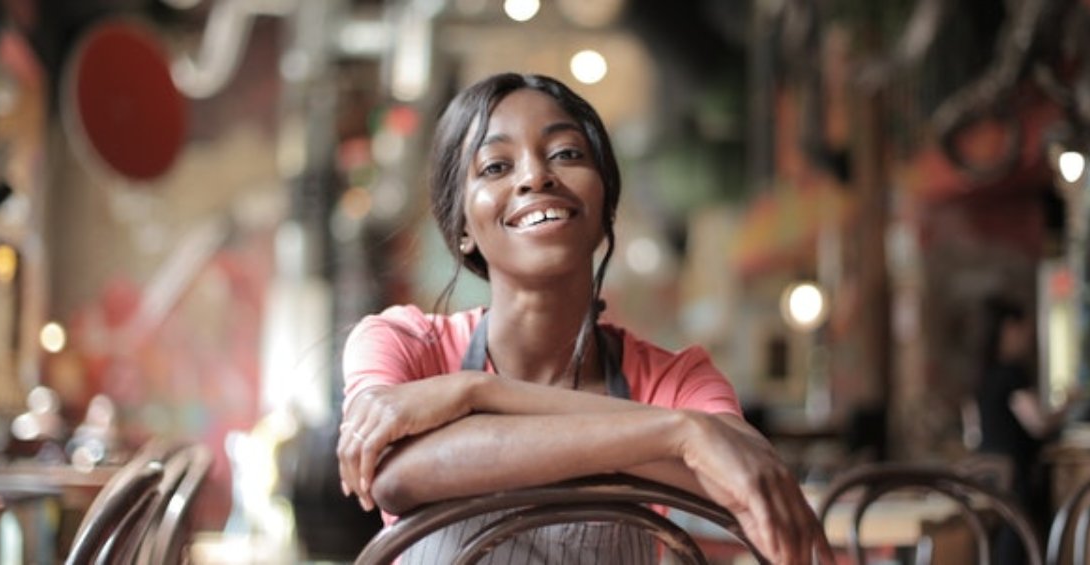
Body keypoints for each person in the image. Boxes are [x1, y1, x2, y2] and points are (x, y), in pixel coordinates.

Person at [336, 72, 831, 564]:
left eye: (567, 154)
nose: (535, 176)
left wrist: (476, 394)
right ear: (462, 227)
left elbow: (751, 469)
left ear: (604, 205)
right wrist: (676, 435)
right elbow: (397, 476)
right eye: (495, 167)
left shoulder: (674, 380)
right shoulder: (401, 342)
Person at [967, 296, 1076, 562]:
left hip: (991, 478)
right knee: (1018, 549)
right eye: (1024, 329)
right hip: (1017, 479)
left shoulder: (984, 374)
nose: (1029, 337)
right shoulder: (1011, 373)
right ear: (1009, 329)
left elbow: (971, 431)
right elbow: (1038, 423)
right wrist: (1069, 404)